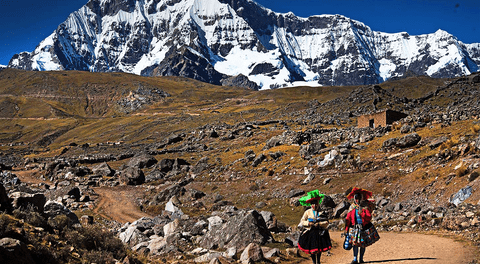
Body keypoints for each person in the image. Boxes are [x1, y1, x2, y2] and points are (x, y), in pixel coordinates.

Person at [345, 187, 380, 264]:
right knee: (355, 244)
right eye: (356, 198)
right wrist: (346, 228)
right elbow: (348, 218)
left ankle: (361, 258)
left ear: (361, 198)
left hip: (363, 228)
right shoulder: (352, 207)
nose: (357, 200)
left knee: (362, 244)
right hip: (355, 228)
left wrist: (363, 214)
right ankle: (355, 259)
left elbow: (368, 217)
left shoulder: (365, 206)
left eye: (358, 198)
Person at [297, 190, 332, 264]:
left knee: (319, 249)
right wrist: (308, 223)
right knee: (312, 249)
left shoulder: (322, 212)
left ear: (318, 203)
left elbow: (326, 222)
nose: (314, 205)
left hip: (320, 232)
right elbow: (302, 221)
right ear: (310, 204)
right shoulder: (307, 212)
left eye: (315, 203)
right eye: (312, 203)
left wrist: (319, 224)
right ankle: (314, 262)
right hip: (310, 233)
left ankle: (318, 261)